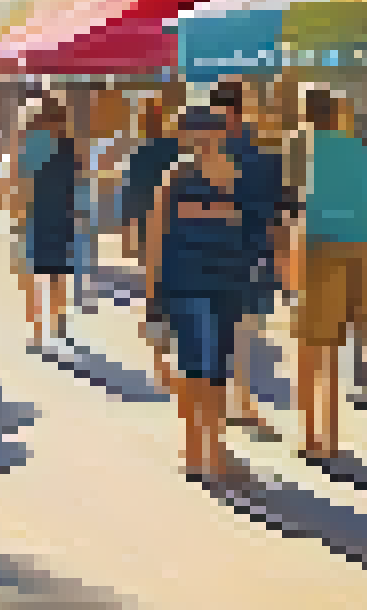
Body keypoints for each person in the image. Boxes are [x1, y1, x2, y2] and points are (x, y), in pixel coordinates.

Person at [148, 106, 260, 488]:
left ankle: (204, 451)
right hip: (195, 284)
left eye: (206, 134)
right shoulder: (180, 178)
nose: (201, 141)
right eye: (197, 134)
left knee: (208, 370)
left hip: (216, 284)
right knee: (201, 370)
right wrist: (153, 294)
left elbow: (154, 239)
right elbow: (155, 238)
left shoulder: (232, 178)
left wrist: (153, 293)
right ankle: (203, 451)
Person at [289, 87, 367, 461]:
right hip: (357, 248)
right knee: (335, 345)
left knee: (310, 344)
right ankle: (332, 434)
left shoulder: (303, 148)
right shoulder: (358, 150)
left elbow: (289, 200)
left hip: (319, 246)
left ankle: (312, 436)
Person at [210, 79, 283, 442]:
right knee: (246, 331)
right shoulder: (262, 154)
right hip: (250, 249)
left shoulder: (202, 155)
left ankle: (223, 406)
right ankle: (243, 403)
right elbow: (277, 208)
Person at [122, 97, 185, 390]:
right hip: (177, 230)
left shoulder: (138, 153)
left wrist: (127, 233)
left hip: (150, 232)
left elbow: (131, 197)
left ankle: (162, 365)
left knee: (154, 298)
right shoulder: (176, 150)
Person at [18, 99, 81, 349]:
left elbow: (22, 181)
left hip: (38, 214)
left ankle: (36, 329)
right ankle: (59, 323)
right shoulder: (69, 146)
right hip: (62, 215)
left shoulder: (33, 145)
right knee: (58, 273)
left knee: (34, 274)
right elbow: (77, 182)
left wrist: (19, 213)